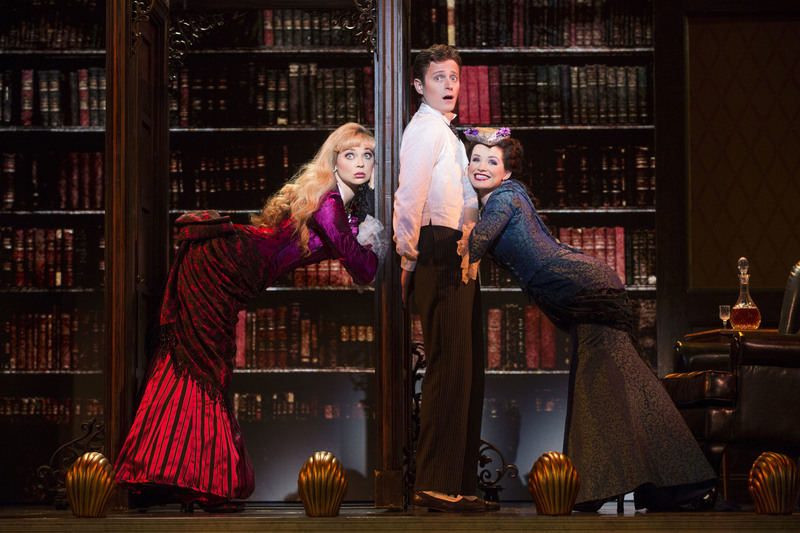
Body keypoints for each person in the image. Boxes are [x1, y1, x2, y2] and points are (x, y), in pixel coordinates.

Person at [114, 123, 381, 512]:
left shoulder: (341, 205)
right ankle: (201, 479)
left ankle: (167, 474)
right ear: (334, 160)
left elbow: (354, 262)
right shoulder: (328, 202)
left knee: (197, 366)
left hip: (226, 271)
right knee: (207, 368)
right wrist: (376, 240)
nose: (359, 163)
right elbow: (364, 269)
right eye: (350, 154)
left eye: (368, 155)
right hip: (219, 266)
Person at [458, 127, 718, 512]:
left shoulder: (503, 198)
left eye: (491, 161)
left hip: (587, 289)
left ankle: (676, 484)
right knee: (611, 382)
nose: (481, 166)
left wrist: (459, 229)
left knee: (607, 382)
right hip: (585, 288)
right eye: (475, 159)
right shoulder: (506, 195)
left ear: (506, 172)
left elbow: (479, 240)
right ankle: (648, 486)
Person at [393, 44, 495, 513]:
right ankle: (435, 482)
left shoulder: (449, 135)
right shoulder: (424, 131)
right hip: (436, 250)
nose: (449, 85)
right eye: (439, 77)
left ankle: (460, 483)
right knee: (448, 366)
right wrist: (407, 261)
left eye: (453, 77)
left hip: (461, 254)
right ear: (419, 84)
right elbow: (408, 197)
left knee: (467, 368)